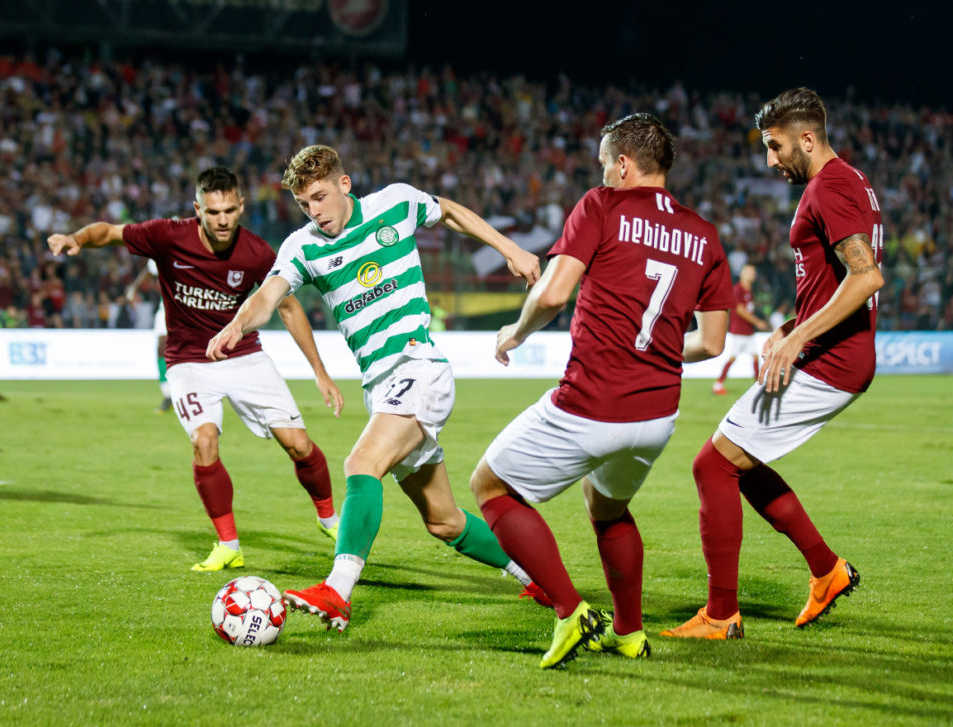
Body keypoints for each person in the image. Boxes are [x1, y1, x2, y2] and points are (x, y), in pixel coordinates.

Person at [207, 144, 550, 632]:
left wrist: (509, 249)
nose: (315, 211)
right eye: (304, 204)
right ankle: (539, 577)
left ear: (344, 184)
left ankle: (337, 591)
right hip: (382, 386)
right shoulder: (302, 246)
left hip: (418, 365)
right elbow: (268, 297)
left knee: (360, 463)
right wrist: (237, 324)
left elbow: (450, 211)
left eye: (320, 197)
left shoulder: (395, 203)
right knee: (444, 520)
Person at [468, 113, 735, 669]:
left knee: (490, 486)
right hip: (657, 415)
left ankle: (570, 612)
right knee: (608, 507)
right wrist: (657, 351)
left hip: (592, 402)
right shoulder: (705, 235)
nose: (603, 175)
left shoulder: (602, 205)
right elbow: (712, 343)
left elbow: (552, 294)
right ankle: (629, 632)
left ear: (624, 164)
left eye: (604, 165)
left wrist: (514, 333)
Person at [663, 88, 884, 640]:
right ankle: (826, 570)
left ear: (807, 139)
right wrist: (790, 325)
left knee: (712, 466)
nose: (769, 160)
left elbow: (866, 277)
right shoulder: (852, 181)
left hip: (832, 359)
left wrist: (798, 336)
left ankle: (721, 615)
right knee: (738, 462)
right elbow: (838, 278)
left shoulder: (828, 187)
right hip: (833, 352)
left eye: (775, 146)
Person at [47, 167, 344, 571]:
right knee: (204, 441)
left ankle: (330, 521)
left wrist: (320, 372)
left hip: (244, 356)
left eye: (229, 211)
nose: (222, 220)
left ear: (241, 206)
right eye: (213, 212)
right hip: (188, 362)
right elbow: (110, 232)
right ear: (197, 209)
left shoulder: (257, 252)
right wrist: (77, 239)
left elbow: (288, 308)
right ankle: (229, 545)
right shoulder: (168, 236)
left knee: (298, 445)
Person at [712, 263, 770, 395]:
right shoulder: (738, 289)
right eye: (749, 272)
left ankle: (758, 385)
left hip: (748, 331)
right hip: (739, 331)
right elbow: (740, 310)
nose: (752, 275)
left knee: (755, 357)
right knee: (733, 357)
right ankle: (718, 384)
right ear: (743, 273)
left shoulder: (749, 290)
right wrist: (757, 322)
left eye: (753, 272)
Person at [126, 259, 172, 413]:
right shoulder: (165, 250)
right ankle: (168, 394)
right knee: (161, 348)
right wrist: (134, 288)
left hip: (193, 306)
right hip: (167, 307)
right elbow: (150, 269)